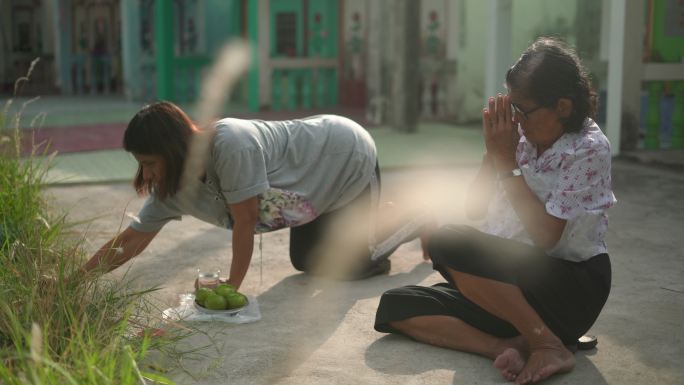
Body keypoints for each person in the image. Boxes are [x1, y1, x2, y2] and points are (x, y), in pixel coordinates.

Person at [374, 37, 616, 384]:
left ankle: (546, 342)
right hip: (510, 287)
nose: (515, 119)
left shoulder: (588, 149)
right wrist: (492, 156)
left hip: (569, 285)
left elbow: (548, 237)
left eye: (523, 110)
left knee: (448, 241)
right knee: (396, 305)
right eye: (511, 107)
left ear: (562, 106)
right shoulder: (519, 138)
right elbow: (476, 208)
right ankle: (506, 345)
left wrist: (506, 163)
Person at [79, 102, 426, 289]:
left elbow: (245, 220)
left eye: (150, 162)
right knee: (307, 263)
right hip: (311, 194)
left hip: (344, 156)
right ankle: (373, 219)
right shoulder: (171, 187)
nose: (148, 174)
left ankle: (415, 217)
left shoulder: (230, 144)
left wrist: (232, 284)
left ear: (172, 149)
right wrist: (75, 281)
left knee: (355, 267)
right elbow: (131, 240)